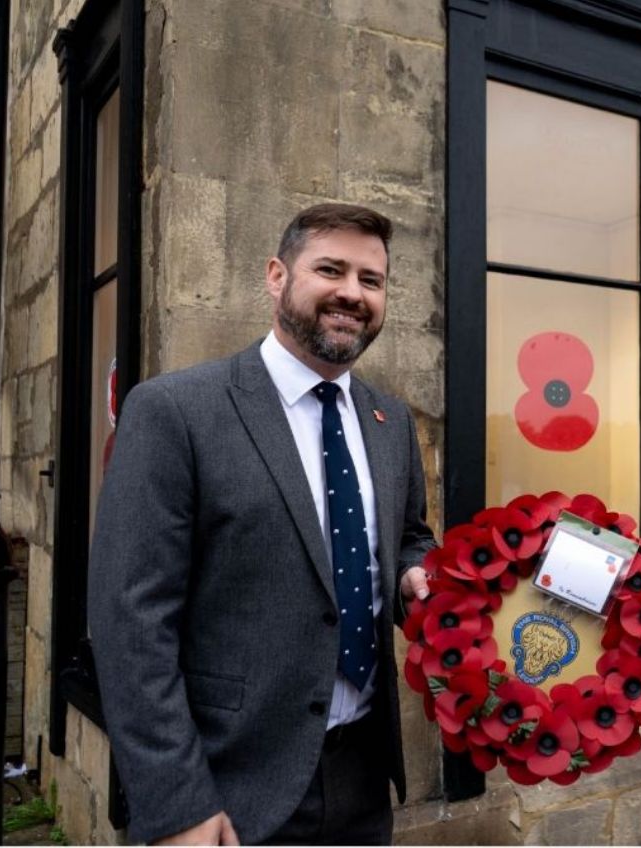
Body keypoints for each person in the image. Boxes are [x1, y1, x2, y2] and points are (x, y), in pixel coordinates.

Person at [89, 203, 436, 845]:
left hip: (363, 776)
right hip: (228, 788)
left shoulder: (389, 422)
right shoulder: (176, 411)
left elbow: (410, 537)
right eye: (330, 269)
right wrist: (176, 803)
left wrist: (418, 572)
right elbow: (130, 619)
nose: (351, 293)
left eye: (371, 280)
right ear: (276, 276)